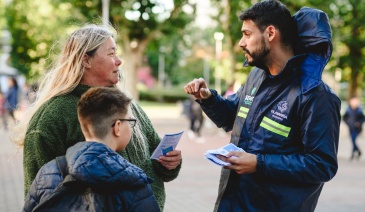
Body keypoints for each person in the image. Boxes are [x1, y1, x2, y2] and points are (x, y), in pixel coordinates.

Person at [184, 1, 341, 211]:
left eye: (247, 34)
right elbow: (232, 117)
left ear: (270, 33)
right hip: (233, 203)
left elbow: (322, 165)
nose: (241, 42)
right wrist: (207, 98)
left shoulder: (316, 96)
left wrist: (260, 163)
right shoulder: (256, 76)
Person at [11, 24, 182, 211]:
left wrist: (170, 164)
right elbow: (39, 197)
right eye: (111, 54)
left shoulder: (127, 104)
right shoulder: (51, 117)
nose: (118, 61)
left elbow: (157, 158)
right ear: (86, 60)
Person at [23, 87, 160, 212]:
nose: (130, 128)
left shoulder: (47, 172)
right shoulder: (133, 182)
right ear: (117, 127)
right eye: (130, 122)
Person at [343, 96, 365, 160]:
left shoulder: (359, 110)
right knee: (353, 141)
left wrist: (359, 123)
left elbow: (364, 119)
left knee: (353, 140)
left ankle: (352, 154)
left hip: (357, 129)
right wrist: (348, 123)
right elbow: (344, 118)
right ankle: (358, 151)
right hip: (351, 128)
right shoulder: (348, 109)